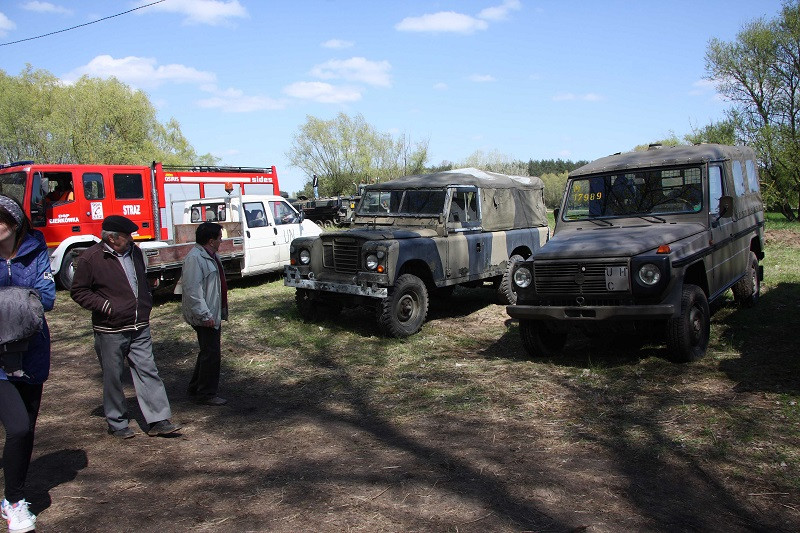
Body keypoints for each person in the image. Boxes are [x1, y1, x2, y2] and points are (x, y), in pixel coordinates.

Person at [70, 215, 181, 439]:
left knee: (148, 371)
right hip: (110, 329)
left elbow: (140, 279)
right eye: (126, 236)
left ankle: (158, 419)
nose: (131, 240)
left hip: (139, 325)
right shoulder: (91, 258)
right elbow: (79, 291)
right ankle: (117, 422)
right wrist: (105, 306)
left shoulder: (135, 252)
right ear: (111, 238)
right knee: (113, 376)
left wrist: (146, 299)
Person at [0, 195, 56, 533]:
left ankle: (13, 499)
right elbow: (32, 300)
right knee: (17, 426)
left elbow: (47, 298)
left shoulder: (36, 252)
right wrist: (22, 300)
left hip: (31, 354)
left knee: (25, 431)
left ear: (15, 223)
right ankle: (15, 500)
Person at [181, 222, 228, 406]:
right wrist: (204, 314)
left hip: (211, 312)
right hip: (206, 315)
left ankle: (195, 388)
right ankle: (206, 393)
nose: (221, 240)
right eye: (219, 237)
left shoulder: (210, 255)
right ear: (210, 241)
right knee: (211, 353)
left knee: (207, 351)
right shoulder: (195, 258)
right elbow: (193, 290)